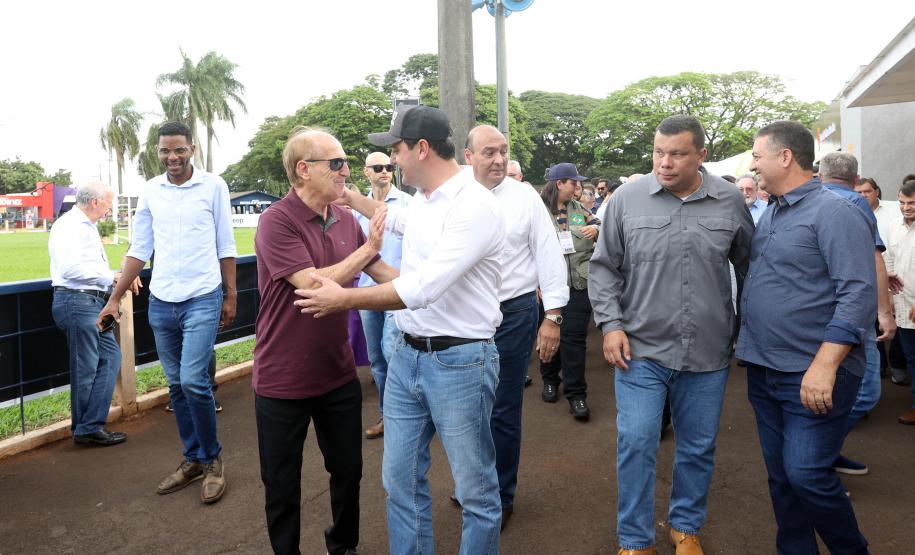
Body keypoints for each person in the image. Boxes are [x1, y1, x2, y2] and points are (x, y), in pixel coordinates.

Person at [297, 105, 506, 553]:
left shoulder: (475, 207)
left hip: (460, 362)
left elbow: (424, 288)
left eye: (395, 149)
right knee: (399, 482)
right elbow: (394, 218)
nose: (392, 159)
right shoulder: (428, 201)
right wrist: (353, 200)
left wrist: (343, 298)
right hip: (407, 355)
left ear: (422, 148)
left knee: (475, 491)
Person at [589, 115, 753, 555]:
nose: (664, 162)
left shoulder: (730, 201)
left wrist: (746, 330)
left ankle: (685, 526)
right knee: (636, 443)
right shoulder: (626, 199)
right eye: (658, 152)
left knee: (698, 446)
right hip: (640, 349)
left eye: (677, 154)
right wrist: (611, 325)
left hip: (708, 349)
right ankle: (635, 540)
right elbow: (603, 268)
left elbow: (749, 267)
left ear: (701, 154)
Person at [737, 121, 874, 554]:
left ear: (784, 157)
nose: (753, 164)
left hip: (811, 371)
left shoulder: (836, 210)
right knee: (781, 476)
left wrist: (826, 364)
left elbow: (858, 292)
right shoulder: (774, 209)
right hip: (765, 368)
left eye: (757, 156)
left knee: (807, 473)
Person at [253, 128, 391, 555]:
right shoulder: (276, 220)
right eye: (336, 163)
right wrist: (367, 250)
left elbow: (386, 277)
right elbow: (311, 285)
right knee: (281, 483)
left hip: (336, 373)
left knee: (349, 471)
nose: (346, 170)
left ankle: (343, 547)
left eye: (346, 162)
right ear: (303, 170)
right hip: (282, 377)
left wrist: (441, 289)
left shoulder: (347, 219)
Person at [97, 121, 237, 505]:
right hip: (161, 303)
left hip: (202, 298)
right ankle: (193, 458)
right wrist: (114, 298)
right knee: (176, 387)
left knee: (194, 381)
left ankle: (212, 460)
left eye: (178, 150)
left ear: (192, 149)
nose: (171, 157)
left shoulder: (213, 186)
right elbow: (139, 248)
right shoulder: (151, 191)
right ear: (157, 153)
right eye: (164, 151)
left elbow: (226, 243)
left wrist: (231, 294)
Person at [462, 124, 568, 530]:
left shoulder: (523, 197)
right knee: (466, 410)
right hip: (464, 318)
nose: (499, 159)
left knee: (502, 408)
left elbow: (548, 253)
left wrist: (553, 317)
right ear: (468, 156)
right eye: (489, 152)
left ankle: (500, 496)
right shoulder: (454, 195)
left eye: (503, 152)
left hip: (513, 314)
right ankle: (473, 486)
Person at [817, 152, 895, 477]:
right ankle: (816, 461)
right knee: (864, 394)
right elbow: (873, 258)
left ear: (821, 175)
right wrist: (885, 313)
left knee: (829, 393)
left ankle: (821, 455)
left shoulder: (808, 201)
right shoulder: (855, 202)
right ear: (855, 178)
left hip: (821, 318)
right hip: (852, 318)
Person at [49, 181, 138, 446]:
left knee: (109, 358)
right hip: (78, 302)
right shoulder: (72, 226)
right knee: (87, 367)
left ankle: (89, 426)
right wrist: (112, 276)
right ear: (96, 202)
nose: (111, 208)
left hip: (87, 303)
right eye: (109, 202)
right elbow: (70, 270)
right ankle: (86, 428)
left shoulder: (81, 226)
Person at [355, 151, 410, 440]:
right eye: (378, 167)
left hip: (397, 291)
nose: (385, 171)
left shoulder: (407, 204)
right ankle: (388, 416)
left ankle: (405, 415)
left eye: (389, 167)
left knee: (392, 351)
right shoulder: (354, 210)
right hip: (366, 291)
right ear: (366, 172)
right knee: (376, 359)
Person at [539, 162, 599, 421]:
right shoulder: (538, 211)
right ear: (559, 183)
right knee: (550, 336)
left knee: (574, 340)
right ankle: (550, 379)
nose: (578, 186)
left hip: (578, 286)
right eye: (573, 182)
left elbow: (599, 221)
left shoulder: (578, 209)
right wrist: (536, 285)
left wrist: (596, 228)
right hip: (550, 287)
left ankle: (576, 394)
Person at [886, 179, 915, 425]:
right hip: (904, 306)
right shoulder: (895, 227)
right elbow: (890, 261)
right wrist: (890, 297)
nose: (907, 207)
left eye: (912, 203)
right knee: (911, 357)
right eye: (903, 202)